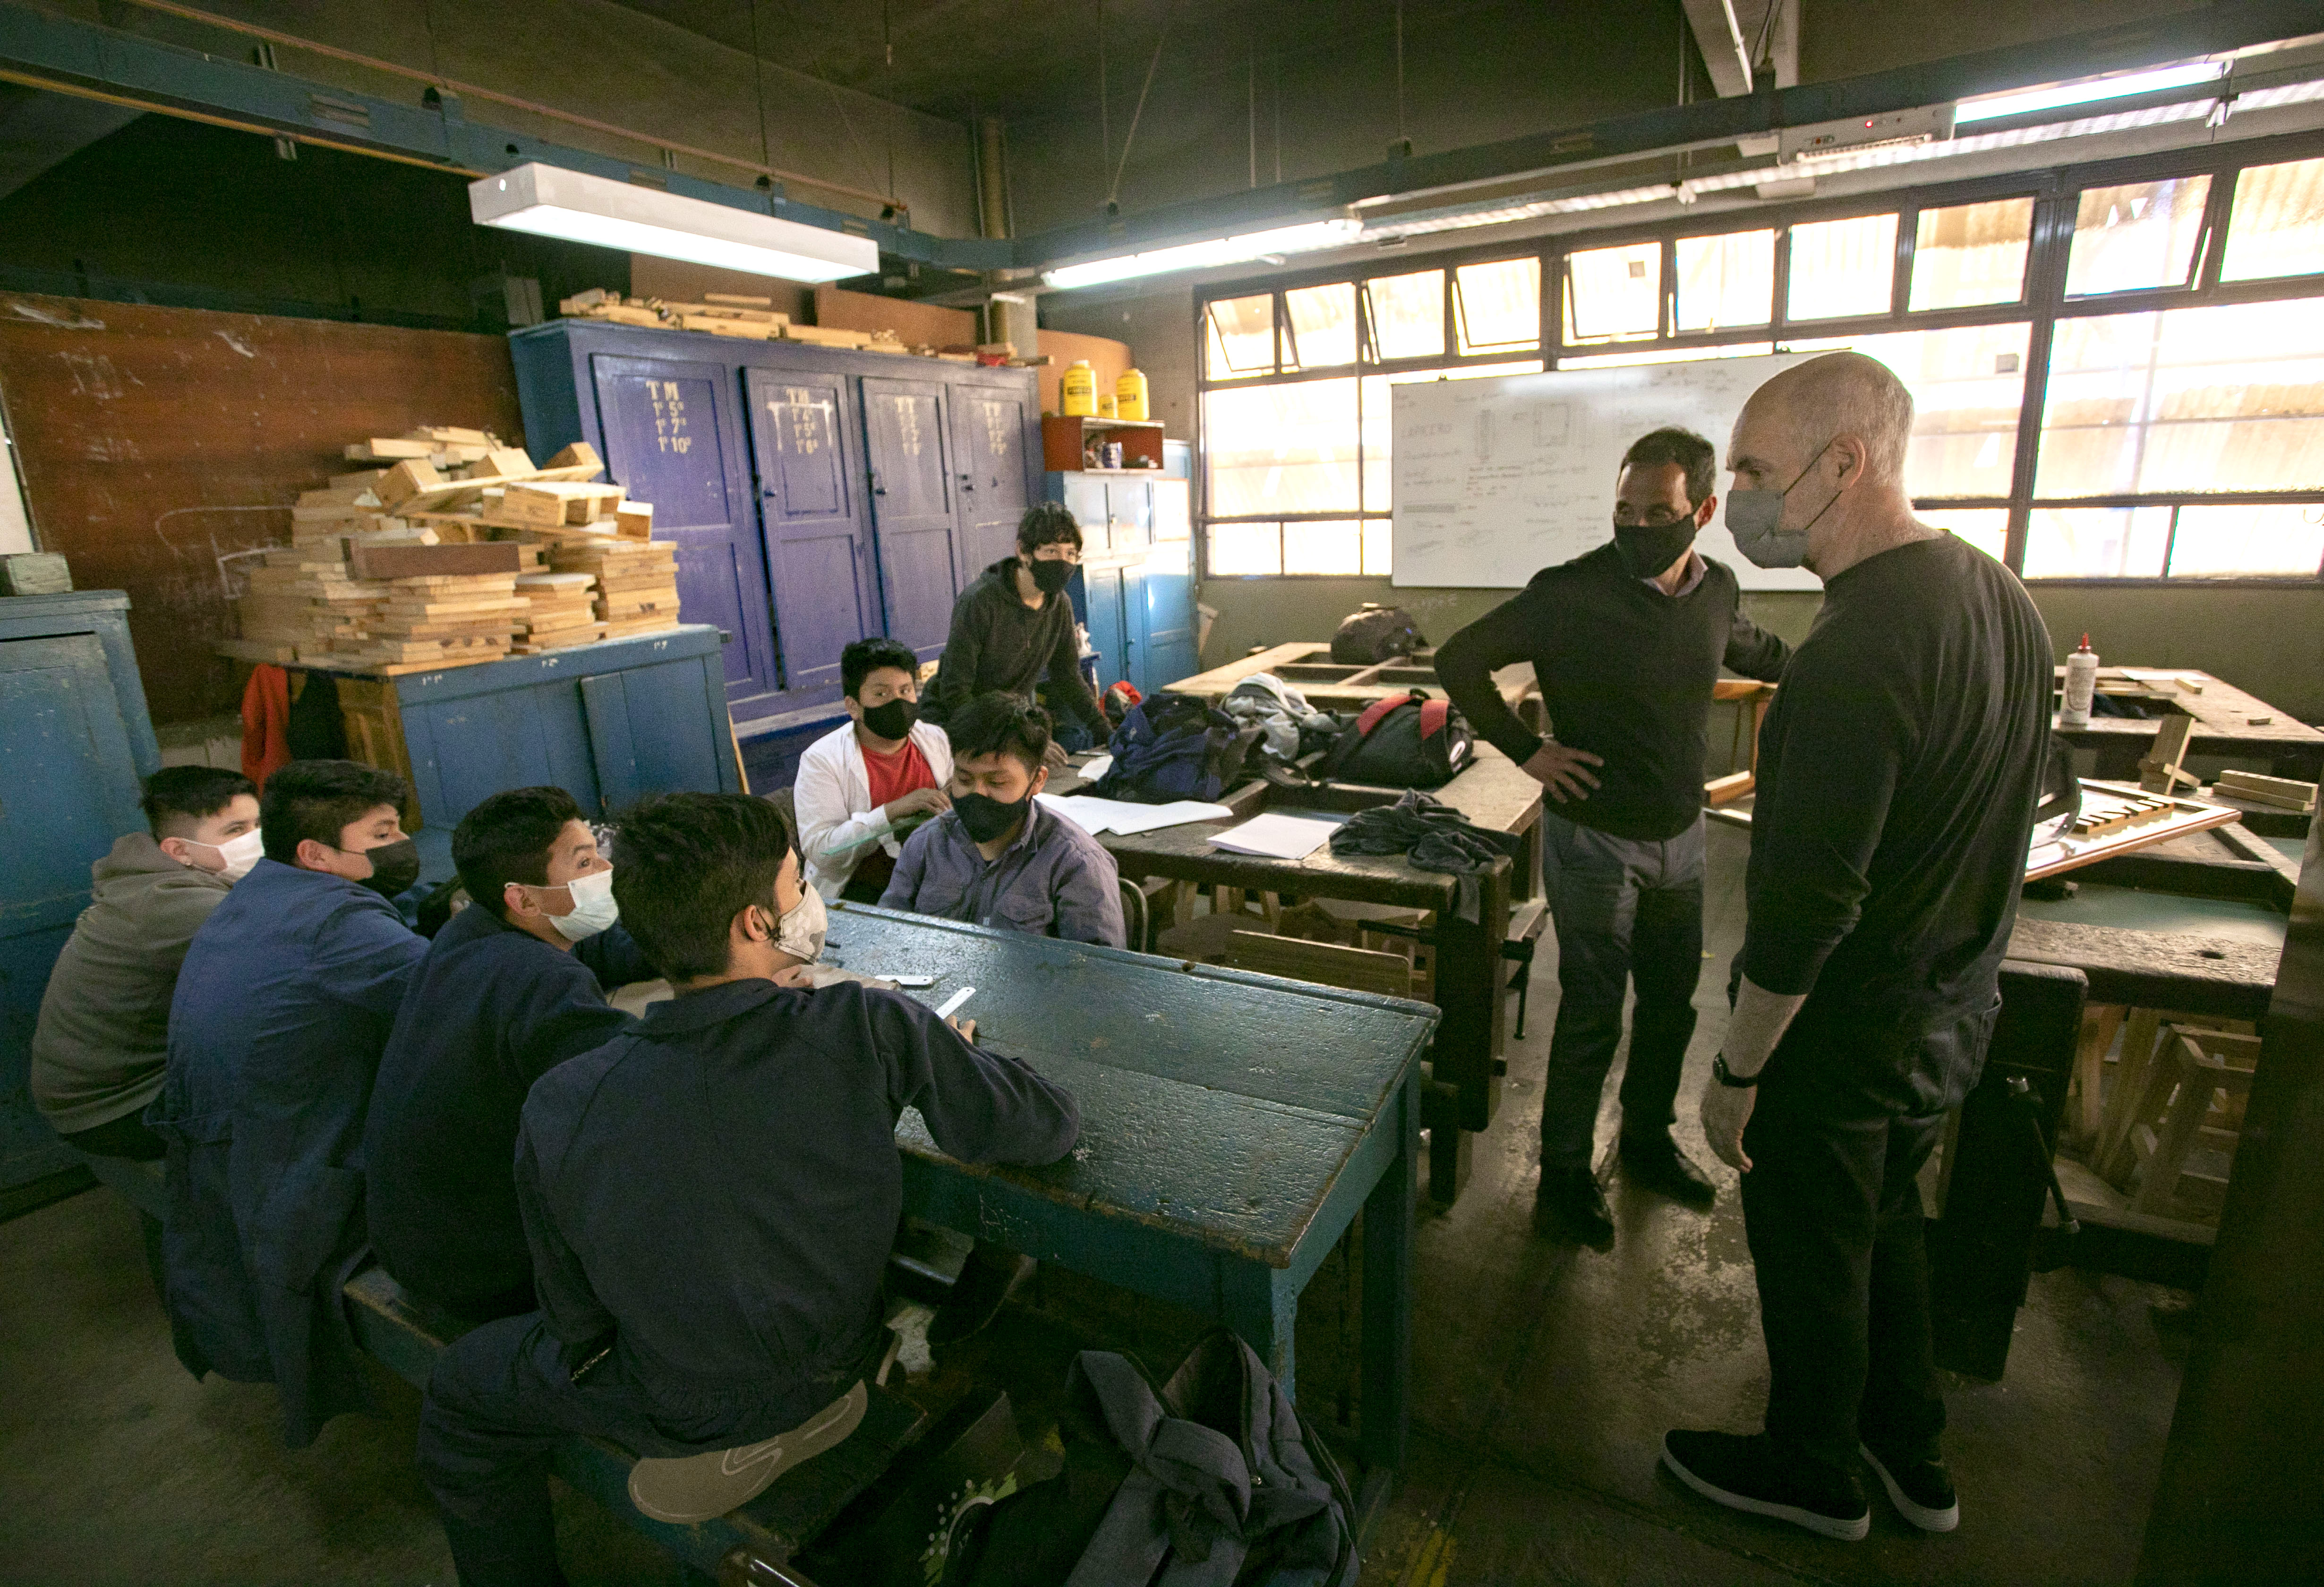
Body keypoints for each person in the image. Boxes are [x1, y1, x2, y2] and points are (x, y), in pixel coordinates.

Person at [416, 792, 1079, 1586]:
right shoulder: (868, 1027)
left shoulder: (564, 1099)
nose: (809, 901)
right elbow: (1044, 1129)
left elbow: (575, 1319)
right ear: (753, 924)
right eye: (798, 885)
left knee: (461, 1390)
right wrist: (949, 1045)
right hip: (843, 1349)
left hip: (677, 1394)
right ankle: (781, 1423)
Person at [1661, 353, 2050, 1541]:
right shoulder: (1998, 599)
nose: (1739, 501)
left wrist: (1735, 1074)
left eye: (1754, 472)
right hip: (1947, 1011)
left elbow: (1802, 912)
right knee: (1884, 1229)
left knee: (1812, 1250)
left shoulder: (1848, 653)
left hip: (1843, 1028)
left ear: (1845, 463)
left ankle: (1812, 1468)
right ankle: (1909, 1452)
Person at [1437, 426, 1790, 1245]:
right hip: (1593, 839)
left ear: (1701, 510)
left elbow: (1758, 650)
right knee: (1595, 1007)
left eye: (1657, 512)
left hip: (1682, 839)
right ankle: (1561, 1171)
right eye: (1624, 510)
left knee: (1671, 1003)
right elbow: (1460, 659)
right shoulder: (1567, 593)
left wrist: (1839, 665)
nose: (1636, 527)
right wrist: (1530, 752)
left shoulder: (1717, 591)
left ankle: (1644, 1140)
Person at [149, 758, 428, 1447]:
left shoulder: (261, 893)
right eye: (384, 831)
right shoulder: (339, 929)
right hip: (287, 1172)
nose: (400, 843)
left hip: (228, 1157)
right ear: (316, 853)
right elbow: (458, 1006)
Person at [364, 787, 661, 1322]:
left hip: (415, 1241)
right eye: (584, 862)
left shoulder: (470, 933)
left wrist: (697, 944)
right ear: (522, 899)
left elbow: (596, 949)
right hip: (485, 1268)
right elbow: (645, 1085)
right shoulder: (543, 981)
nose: (605, 868)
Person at [30, 767, 260, 1162]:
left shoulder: (158, 879)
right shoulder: (176, 905)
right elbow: (299, 969)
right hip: (117, 1111)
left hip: (118, 1091)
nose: (257, 839)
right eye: (235, 830)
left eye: (260, 824)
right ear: (179, 851)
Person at [881, 692, 1125, 948]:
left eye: (997, 782)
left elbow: (1098, 978)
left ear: (1038, 781)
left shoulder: (1076, 864)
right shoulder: (926, 844)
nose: (978, 794)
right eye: (964, 780)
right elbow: (889, 940)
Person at [921, 502, 1111, 751]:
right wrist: (1015, 742)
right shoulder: (980, 601)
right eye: (1051, 552)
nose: (1062, 562)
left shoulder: (1060, 603)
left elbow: (1068, 677)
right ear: (1023, 552)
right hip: (955, 725)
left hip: (1009, 722)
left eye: (1070, 554)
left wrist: (1106, 731)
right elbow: (956, 693)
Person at [795, 636, 955, 904]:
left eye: (905, 691)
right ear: (853, 707)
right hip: (860, 893)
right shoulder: (821, 760)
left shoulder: (934, 739)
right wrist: (892, 812)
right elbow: (822, 853)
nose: (898, 702)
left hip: (937, 881)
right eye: (882, 694)